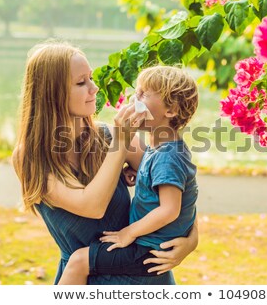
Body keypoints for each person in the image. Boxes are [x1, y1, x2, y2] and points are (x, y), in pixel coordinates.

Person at [12, 41, 198, 285]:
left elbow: (176, 188)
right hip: (82, 279)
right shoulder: (30, 157)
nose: (95, 88)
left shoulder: (107, 135)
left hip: (143, 276)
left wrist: (192, 240)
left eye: (90, 78)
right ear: (51, 93)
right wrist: (120, 145)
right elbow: (92, 206)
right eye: (81, 83)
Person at [58, 65, 199, 284]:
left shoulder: (167, 156)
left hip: (148, 249)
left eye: (143, 94)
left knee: (79, 261)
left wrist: (129, 233)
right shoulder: (160, 148)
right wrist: (140, 175)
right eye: (137, 91)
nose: (135, 98)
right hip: (148, 243)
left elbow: (170, 209)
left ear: (170, 110)